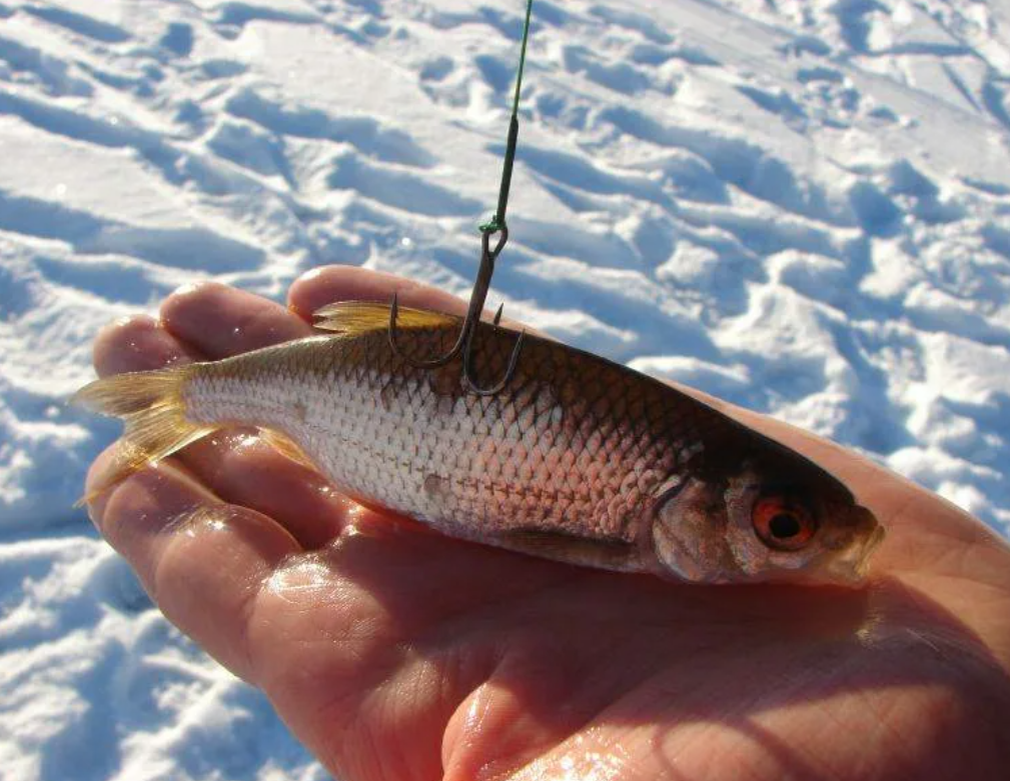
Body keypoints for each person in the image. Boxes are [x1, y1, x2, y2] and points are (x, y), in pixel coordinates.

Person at [83, 265, 1010, 780]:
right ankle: (180, 400)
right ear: (696, 503)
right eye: (780, 525)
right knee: (190, 405)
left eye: (781, 526)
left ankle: (180, 401)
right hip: (358, 411)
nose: (796, 545)